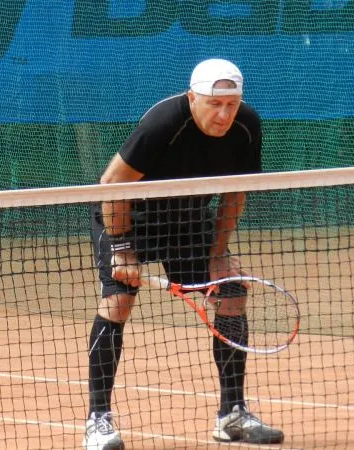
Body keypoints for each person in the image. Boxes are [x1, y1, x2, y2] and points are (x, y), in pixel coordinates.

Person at [82, 59, 284, 449]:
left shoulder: (246, 126)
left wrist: (218, 254)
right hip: (130, 215)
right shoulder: (164, 123)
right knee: (118, 301)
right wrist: (122, 249)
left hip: (188, 216)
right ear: (193, 98)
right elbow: (111, 184)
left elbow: (235, 193)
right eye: (214, 104)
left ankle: (231, 415)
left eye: (231, 104)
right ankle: (97, 420)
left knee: (231, 293)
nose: (224, 114)